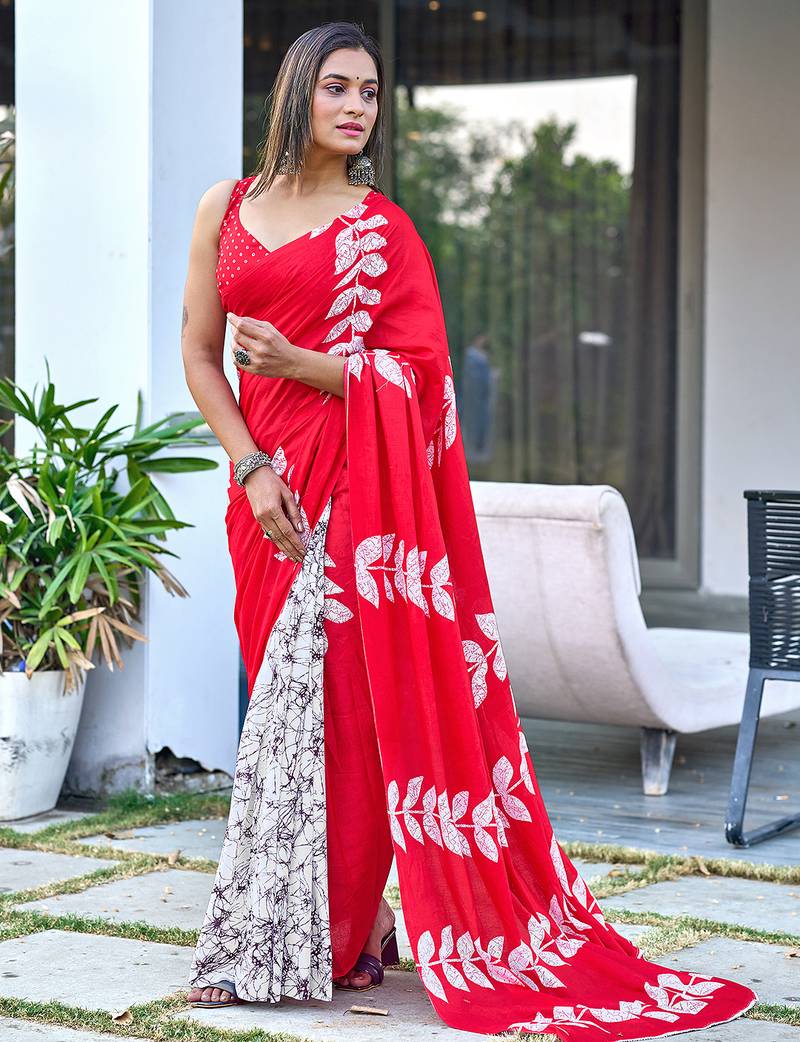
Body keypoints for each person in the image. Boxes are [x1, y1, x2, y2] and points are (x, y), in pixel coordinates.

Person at [179, 20, 757, 1039]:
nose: (356, 107)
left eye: (370, 92)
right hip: (263, 496)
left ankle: (333, 934)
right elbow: (197, 354)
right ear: (295, 95)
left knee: (347, 721)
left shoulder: (381, 231)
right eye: (337, 88)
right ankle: (297, 919)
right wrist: (251, 464)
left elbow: (426, 383)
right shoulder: (222, 210)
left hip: (356, 500)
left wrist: (311, 368)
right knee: (274, 713)